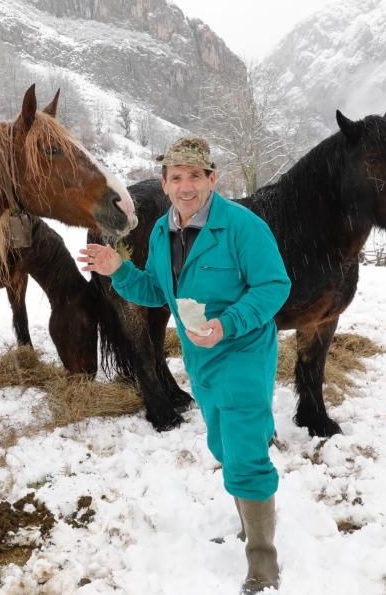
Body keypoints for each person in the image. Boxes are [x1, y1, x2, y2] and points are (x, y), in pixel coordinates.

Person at [79, 137, 290, 593]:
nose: (185, 186)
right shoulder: (161, 233)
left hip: (244, 351)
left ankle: (262, 563)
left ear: (212, 179)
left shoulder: (243, 227)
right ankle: (251, 522)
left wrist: (227, 324)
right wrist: (118, 268)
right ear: (165, 183)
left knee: (245, 451)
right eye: (176, 177)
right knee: (223, 445)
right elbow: (157, 292)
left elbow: (275, 287)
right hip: (201, 358)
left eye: (195, 176)